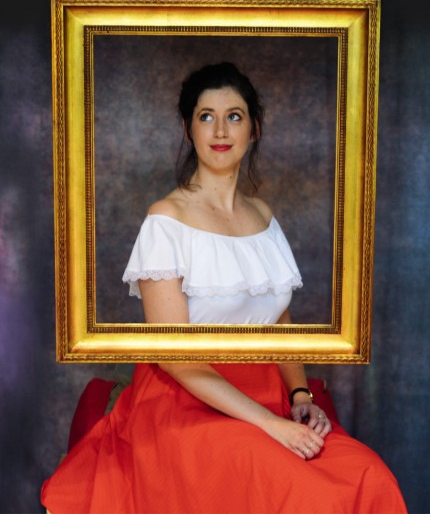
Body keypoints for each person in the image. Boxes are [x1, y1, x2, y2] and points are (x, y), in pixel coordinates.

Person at [41, 62, 407, 513]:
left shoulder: (264, 217)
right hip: (185, 405)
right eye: (206, 116)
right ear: (188, 128)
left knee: (372, 476)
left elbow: (280, 322)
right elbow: (176, 359)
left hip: (267, 396)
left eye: (234, 116)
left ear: (254, 129)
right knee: (309, 495)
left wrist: (299, 396)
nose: (220, 130)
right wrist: (271, 426)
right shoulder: (166, 220)